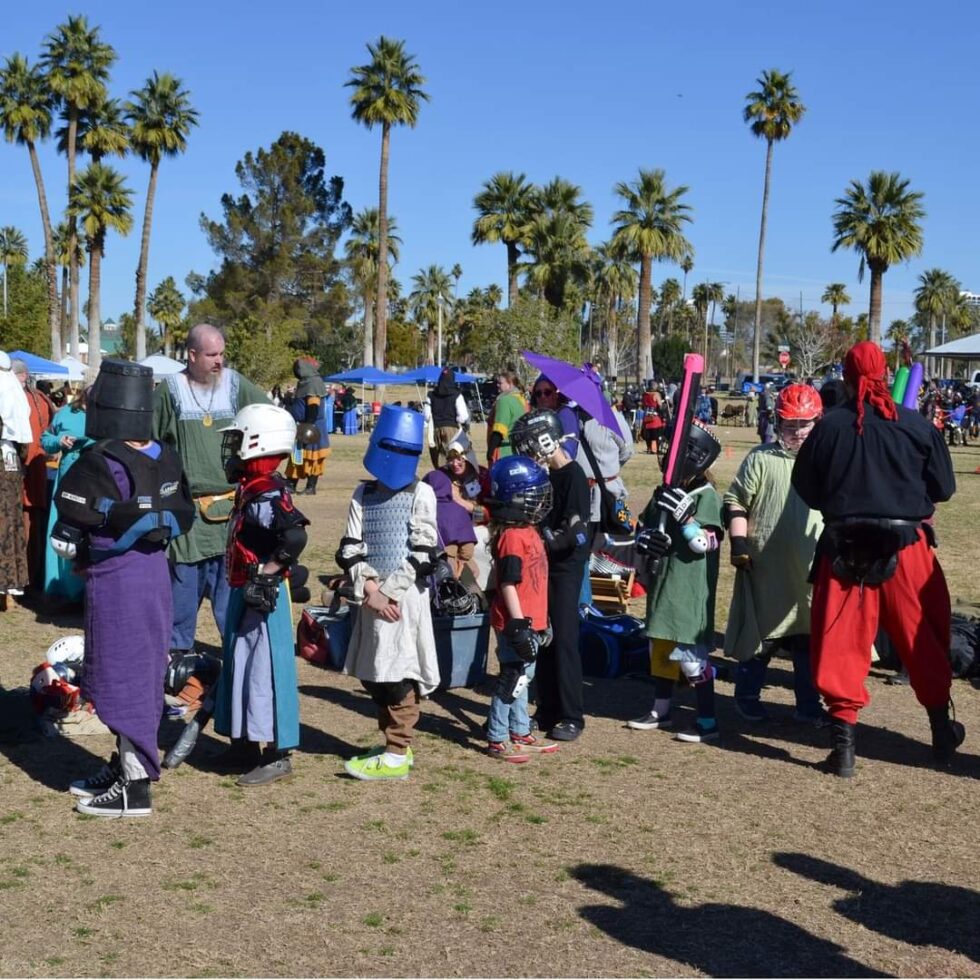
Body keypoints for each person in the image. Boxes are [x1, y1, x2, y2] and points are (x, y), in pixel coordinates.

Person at [791, 341, 963, 778]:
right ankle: (941, 735)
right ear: (885, 373)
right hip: (906, 548)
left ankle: (844, 750)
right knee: (923, 639)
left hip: (845, 548)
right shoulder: (916, 425)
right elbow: (943, 487)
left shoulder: (828, 428)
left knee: (840, 643)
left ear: (847, 377)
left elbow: (806, 487)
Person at [52, 360, 194, 817]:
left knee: (125, 675)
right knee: (138, 669)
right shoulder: (165, 454)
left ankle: (135, 786)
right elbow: (180, 512)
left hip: (119, 576)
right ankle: (124, 765)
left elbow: (69, 528)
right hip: (153, 573)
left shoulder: (100, 459)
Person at [336, 405, 440, 780]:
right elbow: (350, 547)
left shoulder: (422, 492)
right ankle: (392, 745)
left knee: (398, 673)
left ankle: (397, 752)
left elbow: (423, 552)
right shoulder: (362, 493)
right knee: (374, 673)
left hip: (403, 599)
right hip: (371, 597)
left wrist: (390, 594)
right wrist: (369, 588)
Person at [153, 324, 268, 658]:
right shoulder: (170, 390)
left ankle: (236, 658)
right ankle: (177, 663)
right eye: (212, 355)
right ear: (192, 355)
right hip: (188, 516)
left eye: (222, 354)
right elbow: (148, 442)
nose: (219, 361)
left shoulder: (235, 384)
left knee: (230, 598)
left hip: (231, 515)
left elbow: (268, 417)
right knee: (182, 596)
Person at [212, 404, 309, 785]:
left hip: (264, 597)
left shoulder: (268, 492)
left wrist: (267, 575)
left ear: (257, 442)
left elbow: (294, 537)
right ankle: (245, 744)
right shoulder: (252, 488)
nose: (233, 448)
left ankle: (277, 754)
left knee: (264, 670)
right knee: (241, 665)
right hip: (244, 588)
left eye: (238, 439)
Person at [723, 384, 824, 724]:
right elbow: (736, 500)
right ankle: (747, 696)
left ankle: (808, 705)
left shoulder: (825, 461)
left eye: (804, 424)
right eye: (790, 425)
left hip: (811, 568)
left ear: (817, 422)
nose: (797, 432)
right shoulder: (761, 458)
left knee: (807, 640)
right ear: (778, 423)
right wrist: (738, 544)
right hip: (766, 567)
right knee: (762, 638)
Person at [629, 420, 723, 743]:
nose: (668, 454)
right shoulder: (664, 491)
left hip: (688, 589)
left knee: (690, 660)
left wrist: (687, 520)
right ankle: (661, 709)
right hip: (663, 585)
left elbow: (706, 542)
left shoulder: (706, 496)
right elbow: (643, 527)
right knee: (660, 649)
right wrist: (645, 539)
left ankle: (708, 720)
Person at [510, 409, 590, 742]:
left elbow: (575, 532)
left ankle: (572, 715)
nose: (527, 452)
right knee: (545, 638)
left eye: (530, 444)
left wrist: (545, 536)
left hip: (565, 568)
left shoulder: (573, 475)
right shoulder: (545, 476)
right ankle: (546, 708)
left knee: (565, 639)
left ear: (545, 440)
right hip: (544, 566)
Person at [484, 454, 557, 762]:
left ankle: (520, 730)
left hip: (532, 622)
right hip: (516, 624)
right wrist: (519, 625)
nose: (540, 502)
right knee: (512, 679)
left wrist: (543, 621)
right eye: (533, 496)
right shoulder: (512, 537)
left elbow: (535, 584)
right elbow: (508, 583)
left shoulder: (530, 530)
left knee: (524, 679)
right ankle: (497, 737)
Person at [40, 386, 94, 604]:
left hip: (95, 480)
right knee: (61, 530)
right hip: (67, 479)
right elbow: (46, 440)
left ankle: (86, 591)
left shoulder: (106, 414)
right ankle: (59, 588)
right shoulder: (65, 413)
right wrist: (59, 441)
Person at [12, 358, 55, 590]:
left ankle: (23, 580)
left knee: (25, 524)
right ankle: (30, 579)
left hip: (23, 471)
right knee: (32, 523)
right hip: (32, 469)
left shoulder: (22, 398)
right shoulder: (41, 399)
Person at [0, 351, 32, 604]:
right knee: (10, 521)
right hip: (11, 465)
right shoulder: (13, 390)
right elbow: (23, 441)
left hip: (6, 466)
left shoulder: (6, 389)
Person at [284, 357, 330, 495]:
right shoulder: (304, 383)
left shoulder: (313, 383)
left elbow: (313, 407)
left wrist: (308, 426)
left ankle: (311, 487)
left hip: (311, 427)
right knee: (296, 457)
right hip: (301, 425)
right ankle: (291, 485)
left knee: (312, 458)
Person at [428, 366, 470, 467]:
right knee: (454, 460)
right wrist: (457, 421)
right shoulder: (456, 395)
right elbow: (463, 416)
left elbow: (426, 415)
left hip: (436, 430)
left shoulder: (431, 395)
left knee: (440, 462)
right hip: (452, 429)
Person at [529, 374, 579, 458]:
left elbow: (567, 453)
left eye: (547, 392)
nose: (542, 396)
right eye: (538, 393)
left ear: (556, 394)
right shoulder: (537, 418)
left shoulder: (565, 414)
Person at [486, 367, 527, 464]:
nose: (497, 385)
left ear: (510, 384)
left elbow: (499, 430)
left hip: (504, 452)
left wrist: (490, 452)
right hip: (519, 452)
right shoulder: (522, 400)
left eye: (500, 383)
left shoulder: (504, 401)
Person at [641, 384, 667, 455]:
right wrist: (664, 403)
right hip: (654, 417)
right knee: (656, 434)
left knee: (648, 434)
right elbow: (660, 406)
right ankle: (654, 449)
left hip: (646, 417)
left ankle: (649, 448)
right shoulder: (656, 394)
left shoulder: (644, 395)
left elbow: (643, 405)